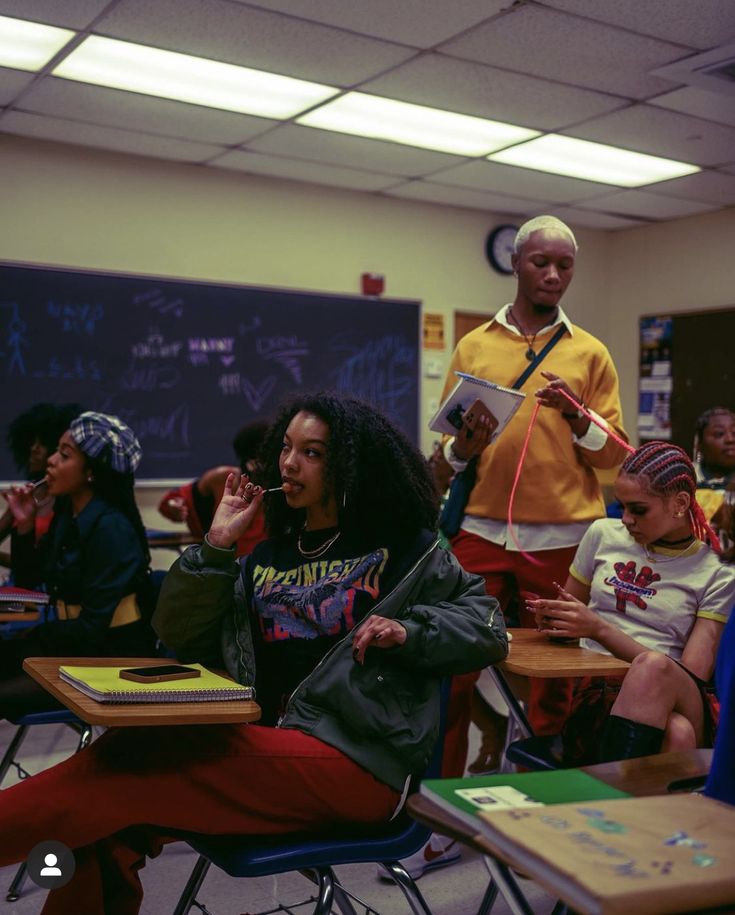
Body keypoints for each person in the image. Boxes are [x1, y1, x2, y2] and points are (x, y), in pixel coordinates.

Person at [0, 392, 508, 914]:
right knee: (105, 818)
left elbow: (488, 627)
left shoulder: (409, 548)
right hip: (267, 745)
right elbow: (179, 636)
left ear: (351, 464)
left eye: (313, 453)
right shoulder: (264, 555)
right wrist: (217, 546)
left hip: (357, 764)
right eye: (286, 447)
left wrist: (409, 630)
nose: (289, 462)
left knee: (130, 761)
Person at [440, 215, 628, 777]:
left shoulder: (589, 352)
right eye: (540, 262)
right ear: (517, 264)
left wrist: (577, 415)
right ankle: (440, 810)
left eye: (564, 265)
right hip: (478, 529)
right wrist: (463, 448)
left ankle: (543, 799)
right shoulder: (474, 345)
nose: (552, 274)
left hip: (563, 537)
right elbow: (449, 452)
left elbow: (614, 456)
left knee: (558, 676)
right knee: (451, 665)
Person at [528, 441, 735, 765]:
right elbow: (567, 622)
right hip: (600, 692)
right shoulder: (602, 534)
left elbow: (690, 674)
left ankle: (600, 801)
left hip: (681, 694)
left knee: (653, 668)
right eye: (620, 506)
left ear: (680, 503)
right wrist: (556, 620)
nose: (625, 519)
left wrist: (598, 629)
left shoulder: (717, 571)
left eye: (638, 509)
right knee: (677, 733)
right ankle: (624, 810)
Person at [0, 411, 156, 720]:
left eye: (65, 455)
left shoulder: (111, 528)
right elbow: (30, 580)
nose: (51, 460)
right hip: (72, 645)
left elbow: (92, 630)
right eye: (57, 450)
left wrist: (31, 639)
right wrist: (24, 525)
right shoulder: (68, 515)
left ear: (91, 473)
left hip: (108, 659)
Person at [157, 420, 269, 556]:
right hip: (224, 565)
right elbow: (174, 500)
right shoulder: (223, 479)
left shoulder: (283, 488)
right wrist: (175, 506)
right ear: (251, 462)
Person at [0, 402, 83, 550]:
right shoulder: (30, 493)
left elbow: (50, 565)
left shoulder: (69, 502)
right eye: (32, 442)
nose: (34, 449)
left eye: (42, 443)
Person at [692, 406, 735, 534]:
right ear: (699, 444)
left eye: (734, 433)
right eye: (719, 434)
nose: (730, 439)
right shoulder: (683, 478)